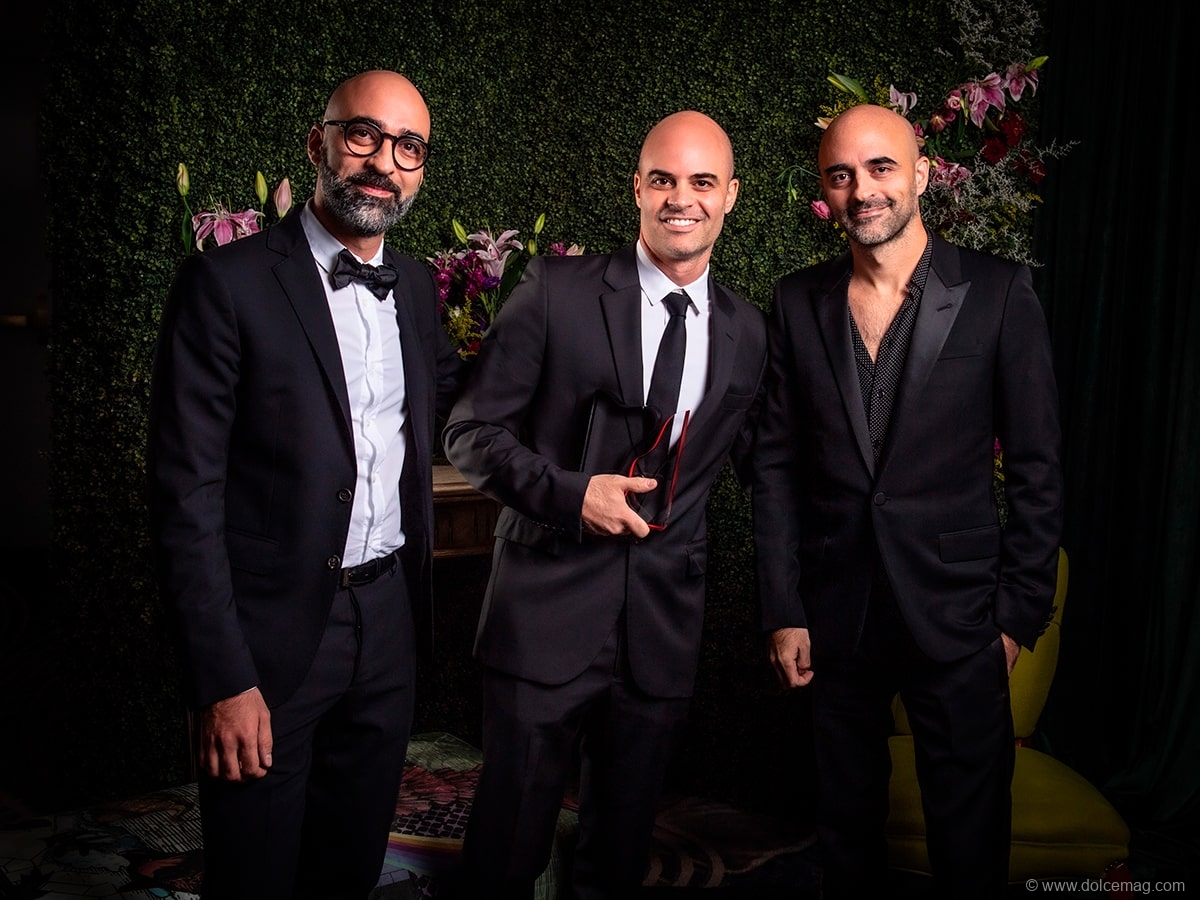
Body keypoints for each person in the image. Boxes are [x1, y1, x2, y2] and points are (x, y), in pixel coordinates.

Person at [147, 70, 464, 899]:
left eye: (408, 147)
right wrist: (223, 679)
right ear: (317, 143)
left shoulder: (417, 287)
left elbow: (462, 395)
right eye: (363, 135)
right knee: (254, 872)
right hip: (269, 637)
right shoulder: (226, 283)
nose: (384, 162)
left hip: (387, 620)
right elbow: (185, 500)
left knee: (348, 865)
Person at [442, 110, 766, 899]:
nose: (681, 198)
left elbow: (771, 471)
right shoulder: (554, 291)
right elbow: (469, 433)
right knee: (504, 855)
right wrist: (572, 494)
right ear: (637, 190)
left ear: (730, 196)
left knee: (617, 862)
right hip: (543, 612)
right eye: (663, 180)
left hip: (660, 628)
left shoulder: (750, 331)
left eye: (701, 182)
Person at [752, 102, 1064, 899]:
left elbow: (1038, 467)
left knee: (970, 845)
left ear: (922, 174)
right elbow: (776, 467)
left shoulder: (1000, 293)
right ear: (825, 189)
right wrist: (784, 608)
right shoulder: (796, 302)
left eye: (881, 167)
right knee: (845, 837)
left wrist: (1014, 619)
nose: (862, 190)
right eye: (841, 174)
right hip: (836, 614)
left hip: (961, 619)